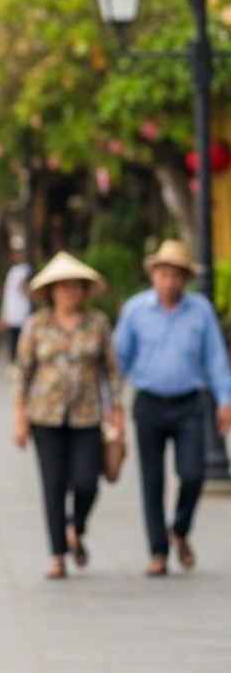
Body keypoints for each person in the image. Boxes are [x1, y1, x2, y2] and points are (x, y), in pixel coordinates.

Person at [114, 239, 231, 577]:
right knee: (152, 480)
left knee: (193, 474)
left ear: (185, 278)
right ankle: (158, 550)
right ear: (154, 275)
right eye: (164, 274)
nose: (170, 281)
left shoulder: (200, 310)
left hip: (189, 403)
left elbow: (215, 358)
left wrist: (225, 399)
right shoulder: (136, 309)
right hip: (149, 402)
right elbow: (119, 359)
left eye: (177, 275)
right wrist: (113, 406)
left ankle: (179, 529)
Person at [12, 252, 123, 580]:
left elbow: (112, 372)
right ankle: (57, 554)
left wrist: (116, 412)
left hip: (87, 415)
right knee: (53, 484)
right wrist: (19, 418)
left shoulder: (98, 323)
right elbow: (22, 373)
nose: (69, 293)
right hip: (44, 416)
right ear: (51, 292)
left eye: (75, 287)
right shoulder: (35, 325)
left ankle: (77, 526)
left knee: (88, 481)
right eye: (62, 288)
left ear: (84, 291)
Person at [1, 241, 33, 361]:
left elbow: (28, 290)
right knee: (13, 340)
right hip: (12, 312)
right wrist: (4, 314)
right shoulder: (11, 271)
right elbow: (7, 295)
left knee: (23, 339)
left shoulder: (27, 270)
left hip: (23, 311)